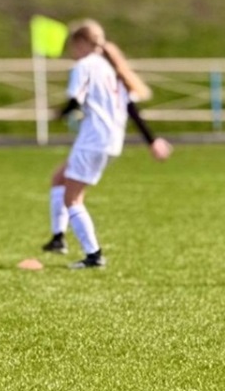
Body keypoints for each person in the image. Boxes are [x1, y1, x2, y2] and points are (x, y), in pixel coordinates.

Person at [39, 20, 171, 269]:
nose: (72, 52)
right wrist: (152, 141)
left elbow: (74, 101)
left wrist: (57, 115)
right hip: (111, 141)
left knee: (72, 199)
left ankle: (94, 255)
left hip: (93, 140)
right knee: (59, 178)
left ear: (81, 43)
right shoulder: (111, 67)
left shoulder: (84, 66)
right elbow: (131, 108)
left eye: (72, 46)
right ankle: (58, 238)